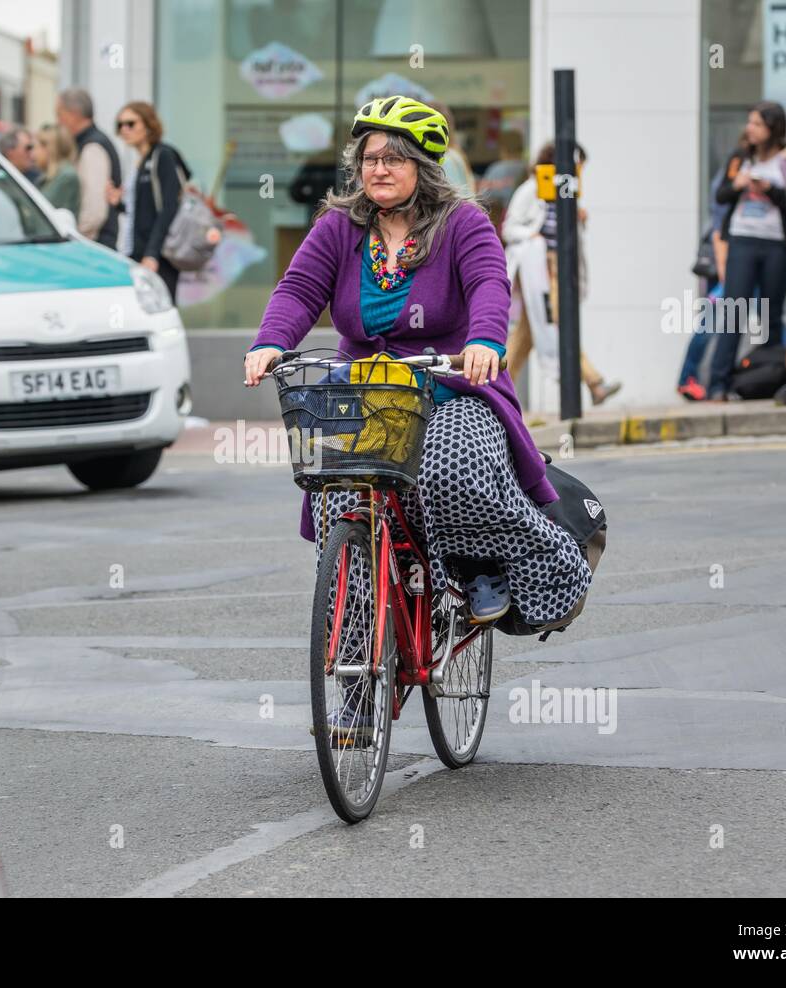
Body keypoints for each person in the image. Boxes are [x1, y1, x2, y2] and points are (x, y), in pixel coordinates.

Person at [243, 96, 592, 634]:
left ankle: (483, 560)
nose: (378, 169)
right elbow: (298, 289)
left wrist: (483, 342)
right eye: (369, 158)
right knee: (334, 495)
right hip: (365, 391)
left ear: (423, 168)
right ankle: (356, 647)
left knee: (451, 470)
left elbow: (488, 288)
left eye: (394, 158)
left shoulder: (463, 223)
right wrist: (269, 342)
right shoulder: (340, 226)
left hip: (450, 385)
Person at [501, 141, 620, 406]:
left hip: (558, 267)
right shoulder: (532, 189)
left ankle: (497, 386)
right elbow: (510, 229)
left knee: (527, 335)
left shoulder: (566, 193)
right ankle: (594, 381)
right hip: (538, 268)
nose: (579, 173)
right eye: (577, 166)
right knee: (559, 323)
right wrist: (533, 237)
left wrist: (577, 219)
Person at [705, 101, 786, 400]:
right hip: (742, 239)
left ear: (772, 128)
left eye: (757, 123)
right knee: (733, 311)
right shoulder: (740, 157)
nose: (750, 128)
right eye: (750, 122)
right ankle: (718, 384)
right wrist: (740, 183)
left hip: (776, 244)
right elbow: (721, 195)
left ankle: (766, 381)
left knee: (771, 315)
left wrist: (770, 189)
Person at [109, 101, 186, 302]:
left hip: (159, 254)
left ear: (148, 124)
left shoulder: (163, 156)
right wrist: (119, 204)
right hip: (136, 251)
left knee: (161, 310)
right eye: (120, 125)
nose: (124, 129)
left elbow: (169, 207)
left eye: (131, 123)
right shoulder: (140, 161)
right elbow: (142, 211)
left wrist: (152, 253)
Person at [677, 161, 734, 401]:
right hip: (720, 264)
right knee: (711, 321)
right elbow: (719, 227)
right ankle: (689, 378)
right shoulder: (732, 174)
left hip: (732, 261)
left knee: (733, 322)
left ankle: (709, 380)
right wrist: (723, 268)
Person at [56, 87, 123, 247]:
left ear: (73, 114)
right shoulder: (87, 143)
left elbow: (94, 211)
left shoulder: (92, 147)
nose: (58, 121)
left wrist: (76, 236)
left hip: (94, 242)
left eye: (59, 114)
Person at [34, 123, 82, 219]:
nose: (34, 152)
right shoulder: (49, 176)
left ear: (48, 148)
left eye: (36, 147)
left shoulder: (66, 177)